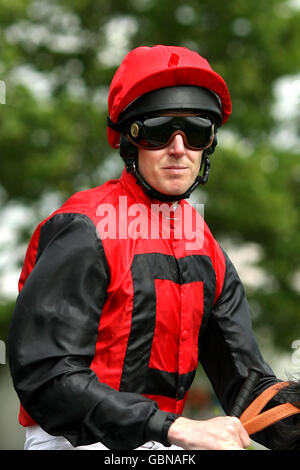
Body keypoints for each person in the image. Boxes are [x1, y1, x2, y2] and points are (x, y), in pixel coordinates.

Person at [7, 45, 297, 451]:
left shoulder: (204, 245)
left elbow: (247, 384)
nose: (179, 148)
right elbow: (47, 376)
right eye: (160, 130)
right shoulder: (82, 227)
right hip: (78, 442)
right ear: (131, 140)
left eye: (196, 131)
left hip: (166, 440)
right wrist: (175, 427)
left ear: (208, 144)